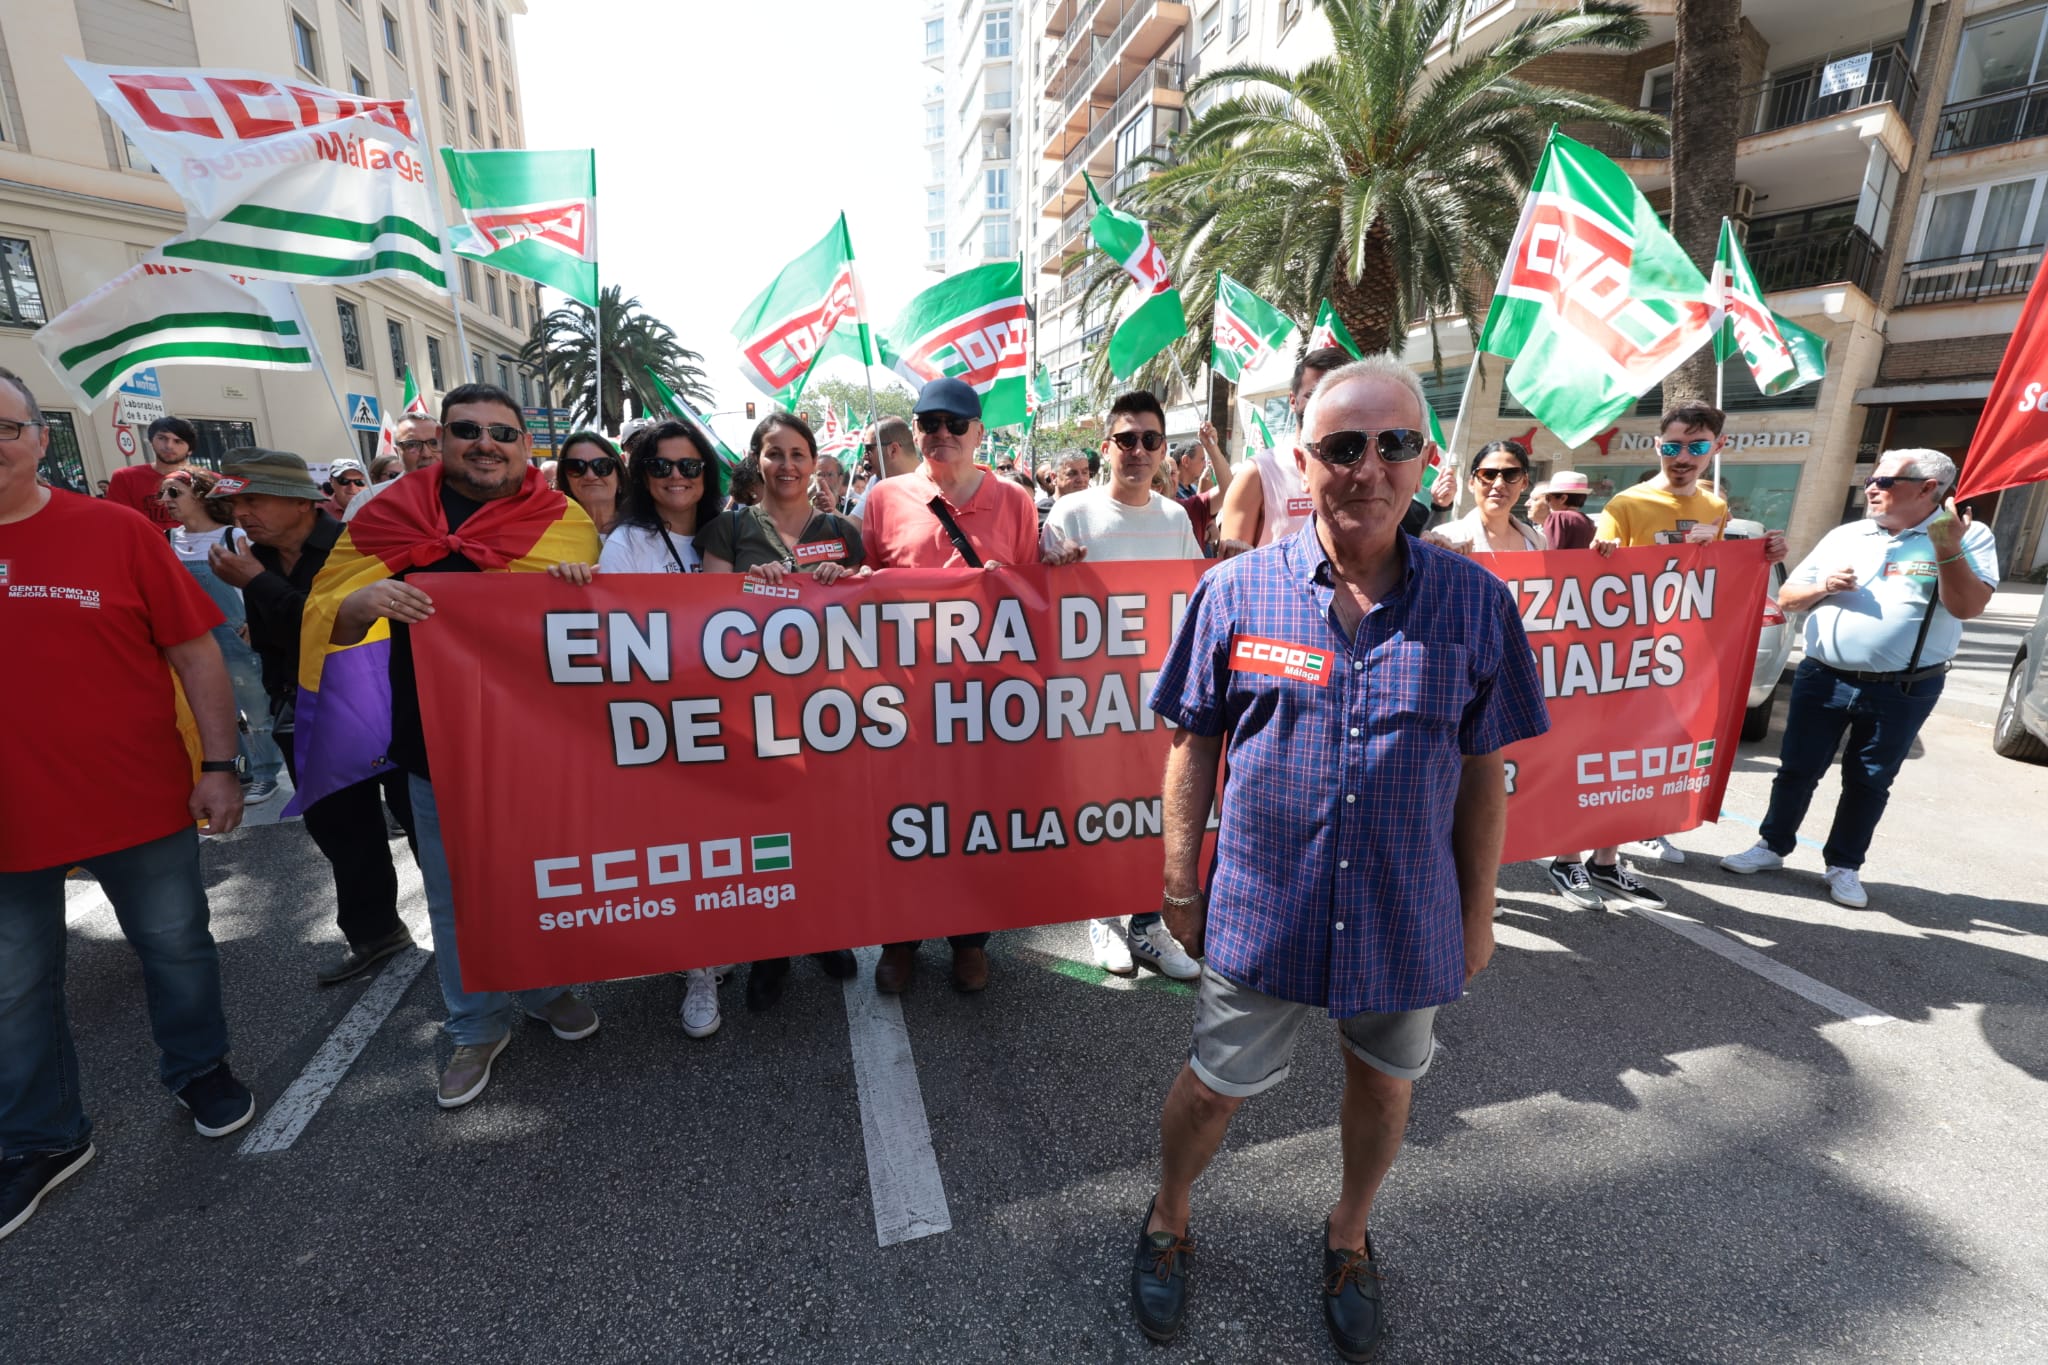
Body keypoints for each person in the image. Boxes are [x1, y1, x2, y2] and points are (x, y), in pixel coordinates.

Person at [1132, 356, 1550, 1356]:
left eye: (1394, 444)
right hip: (1260, 910)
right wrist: (1179, 884)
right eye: (1343, 446)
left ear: (1426, 460)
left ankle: (1349, 1233)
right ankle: (1167, 1215)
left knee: (1384, 1085)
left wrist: (1479, 914)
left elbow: (1483, 769)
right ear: (1303, 460)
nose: (1368, 467)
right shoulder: (1234, 592)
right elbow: (1192, 745)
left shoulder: (1475, 604)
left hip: (1404, 913)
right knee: (1212, 1087)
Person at [1, 367, 255, 1244]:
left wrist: (220, 764)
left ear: (40, 438)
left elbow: (196, 652)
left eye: (6, 427)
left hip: (136, 799)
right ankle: (42, 1137)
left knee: (176, 946)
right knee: (12, 987)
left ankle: (200, 1070)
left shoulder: (114, 531)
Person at [322, 384, 602, 1108]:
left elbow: (593, 631)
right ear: (441, 439)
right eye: (467, 429)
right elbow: (330, 619)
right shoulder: (385, 515)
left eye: (503, 433)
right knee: (454, 896)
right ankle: (475, 1025)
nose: (486, 444)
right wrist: (359, 603)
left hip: (536, 746)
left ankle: (542, 990)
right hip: (432, 746)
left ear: (526, 446)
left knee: (538, 879)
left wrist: (579, 586)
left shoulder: (562, 521)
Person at [1721, 448, 1997, 907]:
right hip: (1823, 676)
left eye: (1884, 481)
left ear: (1927, 488)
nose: (1870, 488)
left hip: (1904, 687)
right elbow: (1787, 597)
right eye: (1871, 479)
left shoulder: (1968, 536)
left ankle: (1844, 865)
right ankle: (1771, 845)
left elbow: (1968, 607)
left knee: (1869, 780)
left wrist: (1948, 548)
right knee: (1796, 769)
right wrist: (1823, 586)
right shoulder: (1847, 534)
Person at [1554, 402, 1789, 897]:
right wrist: (1607, 554)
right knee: (1596, 757)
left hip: (1674, 659)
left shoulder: (1715, 508)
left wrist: (1756, 553)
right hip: (1620, 658)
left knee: (1640, 760)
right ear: (1657, 445)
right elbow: (1600, 575)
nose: (1683, 457)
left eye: (1697, 446)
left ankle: (1606, 860)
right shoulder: (1627, 504)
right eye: (1674, 446)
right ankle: (1567, 858)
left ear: (1717, 448)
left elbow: (1714, 582)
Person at [859, 376, 1047, 995]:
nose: (942, 434)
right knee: (903, 819)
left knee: (975, 820)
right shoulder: (884, 498)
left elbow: (1032, 597)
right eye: (930, 423)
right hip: (906, 698)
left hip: (985, 700)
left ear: (978, 434)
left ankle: (970, 939)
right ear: (915, 431)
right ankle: (900, 940)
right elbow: (865, 589)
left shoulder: (1015, 501)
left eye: (955, 424)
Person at [210, 450, 421, 987]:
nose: (242, 513)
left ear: (301, 503)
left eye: (256, 499)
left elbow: (330, 623)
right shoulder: (253, 557)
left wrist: (258, 583)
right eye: (236, 503)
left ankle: (472, 931)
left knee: (422, 822)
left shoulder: (356, 543)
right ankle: (375, 933)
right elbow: (280, 638)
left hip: (382, 707)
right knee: (340, 831)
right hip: (305, 711)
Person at [698, 410, 866, 1016]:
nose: (787, 465)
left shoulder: (841, 529)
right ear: (757, 460)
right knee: (763, 832)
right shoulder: (728, 529)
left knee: (824, 826)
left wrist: (849, 577)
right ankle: (769, 951)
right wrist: (748, 585)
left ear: (814, 461)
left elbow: (872, 606)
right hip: (756, 709)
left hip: (829, 707)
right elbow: (702, 615)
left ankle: (823, 932)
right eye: (775, 453)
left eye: (798, 454)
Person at [1044, 390, 1204, 983]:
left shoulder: (1175, 518)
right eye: (1127, 439)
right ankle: (1103, 916)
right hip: (1090, 700)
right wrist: (1048, 557)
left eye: (1150, 440)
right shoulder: (1071, 513)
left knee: (1151, 808)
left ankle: (1145, 923)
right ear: (1107, 446)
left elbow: (1194, 597)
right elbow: (1038, 599)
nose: (1138, 450)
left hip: (1155, 700)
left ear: (1162, 450)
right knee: (1098, 807)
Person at [159, 468, 286, 804]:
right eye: (163, 493)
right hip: (192, 641)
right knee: (215, 711)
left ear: (201, 496)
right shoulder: (168, 540)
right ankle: (240, 770)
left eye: (174, 492)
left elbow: (260, 581)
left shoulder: (233, 536)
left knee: (256, 711)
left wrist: (257, 623)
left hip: (235, 635)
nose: (165, 500)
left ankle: (266, 774)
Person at [1217, 347, 1351, 553]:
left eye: (1335, 395)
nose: (1324, 405)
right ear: (1293, 401)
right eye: (1313, 395)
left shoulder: (1367, 471)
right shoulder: (1257, 473)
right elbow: (1231, 565)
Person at [598, 420, 725, 575]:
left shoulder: (729, 536)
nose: (676, 475)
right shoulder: (625, 544)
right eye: (660, 466)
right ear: (644, 478)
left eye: (689, 466)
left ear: (706, 475)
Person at [1429, 440, 1547, 557]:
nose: (1499, 484)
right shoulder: (1446, 539)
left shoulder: (1538, 542)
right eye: (1488, 474)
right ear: (1471, 483)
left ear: (1524, 482)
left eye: (1511, 474)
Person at [104, 415, 199, 531]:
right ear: (151, 441)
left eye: (178, 441)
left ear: (190, 449)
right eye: (162, 438)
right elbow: (118, 522)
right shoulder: (125, 478)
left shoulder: (208, 481)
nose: (169, 446)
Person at [344, 414, 440, 521]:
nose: (426, 454)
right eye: (412, 445)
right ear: (397, 451)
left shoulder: (455, 493)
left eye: (434, 443)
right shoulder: (367, 500)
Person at [554, 431, 625, 537]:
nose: (590, 476)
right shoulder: (553, 534)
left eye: (601, 465)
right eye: (576, 467)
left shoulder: (644, 533)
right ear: (565, 480)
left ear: (619, 476)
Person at [1537, 470, 1596, 551]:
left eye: (1548, 498)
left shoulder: (1558, 517)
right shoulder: (1587, 520)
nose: (1547, 502)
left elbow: (1550, 552)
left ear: (1563, 498)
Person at [810, 449, 851, 515]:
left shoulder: (849, 506)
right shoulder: (807, 506)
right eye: (820, 475)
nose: (825, 480)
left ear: (840, 479)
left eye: (830, 475)